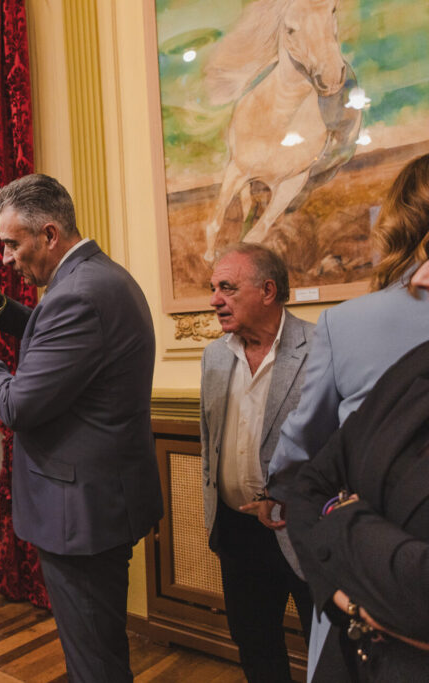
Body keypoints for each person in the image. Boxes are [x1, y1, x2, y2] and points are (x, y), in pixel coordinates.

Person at [0, 173, 162, 682]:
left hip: (81, 512)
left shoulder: (75, 295)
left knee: (94, 660)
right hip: (103, 499)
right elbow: (56, 338)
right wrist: (1, 311)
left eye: (11, 244)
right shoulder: (99, 277)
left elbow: (17, 405)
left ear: (49, 234)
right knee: (99, 647)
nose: (5, 258)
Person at [264, 152, 429, 678]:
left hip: (369, 559)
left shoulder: (349, 323)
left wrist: (282, 493)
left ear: (397, 224)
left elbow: (302, 446)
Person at [286, 308, 429, 679]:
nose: (419, 280)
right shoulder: (414, 365)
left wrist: (342, 517)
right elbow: (309, 487)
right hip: (348, 658)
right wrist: (351, 604)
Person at [200, 243, 314, 681]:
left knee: (327, 650)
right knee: (256, 647)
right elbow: (209, 439)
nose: (215, 300)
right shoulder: (214, 355)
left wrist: (288, 496)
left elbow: (339, 445)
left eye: (227, 288)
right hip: (236, 532)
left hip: (302, 529)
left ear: (267, 291)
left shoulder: (321, 348)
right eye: (213, 288)